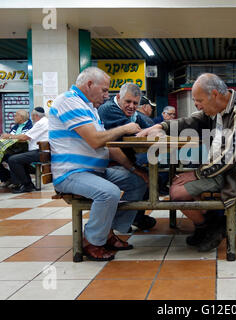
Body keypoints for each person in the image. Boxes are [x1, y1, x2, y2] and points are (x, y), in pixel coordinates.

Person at [138, 73, 236, 252]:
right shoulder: (215, 111)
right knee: (177, 184)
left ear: (214, 94)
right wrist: (161, 126)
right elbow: (192, 120)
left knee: (177, 192)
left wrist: (196, 174)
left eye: (199, 100)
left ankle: (211, 226)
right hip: (219, 170)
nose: (197, 105)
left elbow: (232, 156)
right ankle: (209, 224)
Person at [49, 67, 148, 261]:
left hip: (95, 171)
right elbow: (95, 140)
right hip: (71, 173)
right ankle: (91, 242)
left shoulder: (90, 108)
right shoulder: (69, 101)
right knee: (108, 192)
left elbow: (107, 146)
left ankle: (107, 231)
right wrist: (124, 128)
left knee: (138, 182)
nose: (106, 95)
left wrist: (135, 169)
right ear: (89, 84)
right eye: (104, 90)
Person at [98, 83, 157, 231]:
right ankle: (123, 222)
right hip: (110, 162)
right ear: (118, 97)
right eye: (128, 102)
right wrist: (146, 130)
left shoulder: (133, 114)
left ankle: (136, 217)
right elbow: (134, 132)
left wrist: (151, 129)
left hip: (125, 160)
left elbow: (149, 125)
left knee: (150, 175)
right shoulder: (108, 109)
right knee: (144, 177)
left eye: (135, 103)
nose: (131, 106)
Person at [3, 107, 49, 193]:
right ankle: (26, 184)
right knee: (16, 158)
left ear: (35, 115)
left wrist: (9, 136)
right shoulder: (43, 122)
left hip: (40, 152)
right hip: (40, 151)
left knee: (13, 160)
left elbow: (25, 137)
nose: (31, 118)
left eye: (32, 116)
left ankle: (27, 185)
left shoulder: (41, 123)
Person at [0, 109, 33, 187]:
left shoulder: (29, 126)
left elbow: (23, 138)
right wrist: (1, 137)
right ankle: (6, 178)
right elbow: (9, 136)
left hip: (23, 150)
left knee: (11, 158)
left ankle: (16, 181)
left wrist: (9, 137)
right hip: (13, 149)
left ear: (21, 117)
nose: (14, 117)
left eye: (15, 116)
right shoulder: (16, 126)